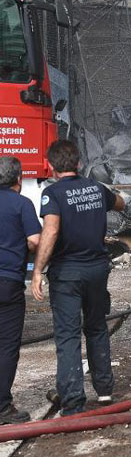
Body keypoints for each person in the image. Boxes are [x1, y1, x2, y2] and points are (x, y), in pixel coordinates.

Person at [31, 140, 125, 416]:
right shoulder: (96, 188)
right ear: (80, 164)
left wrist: (37, 271)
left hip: (67, 274)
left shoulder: (53, 194)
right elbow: (119, 203)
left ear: (50, 166)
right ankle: (105, 390)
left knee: (68, 335)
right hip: (97, 270)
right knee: (96, 328)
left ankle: (73, 402)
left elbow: (50, 232)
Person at [0, 157, 41, 424]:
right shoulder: (22, 204)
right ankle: (3, 407)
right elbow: (35, 240)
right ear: (18, 179)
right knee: (7, 344)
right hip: (8, 282)